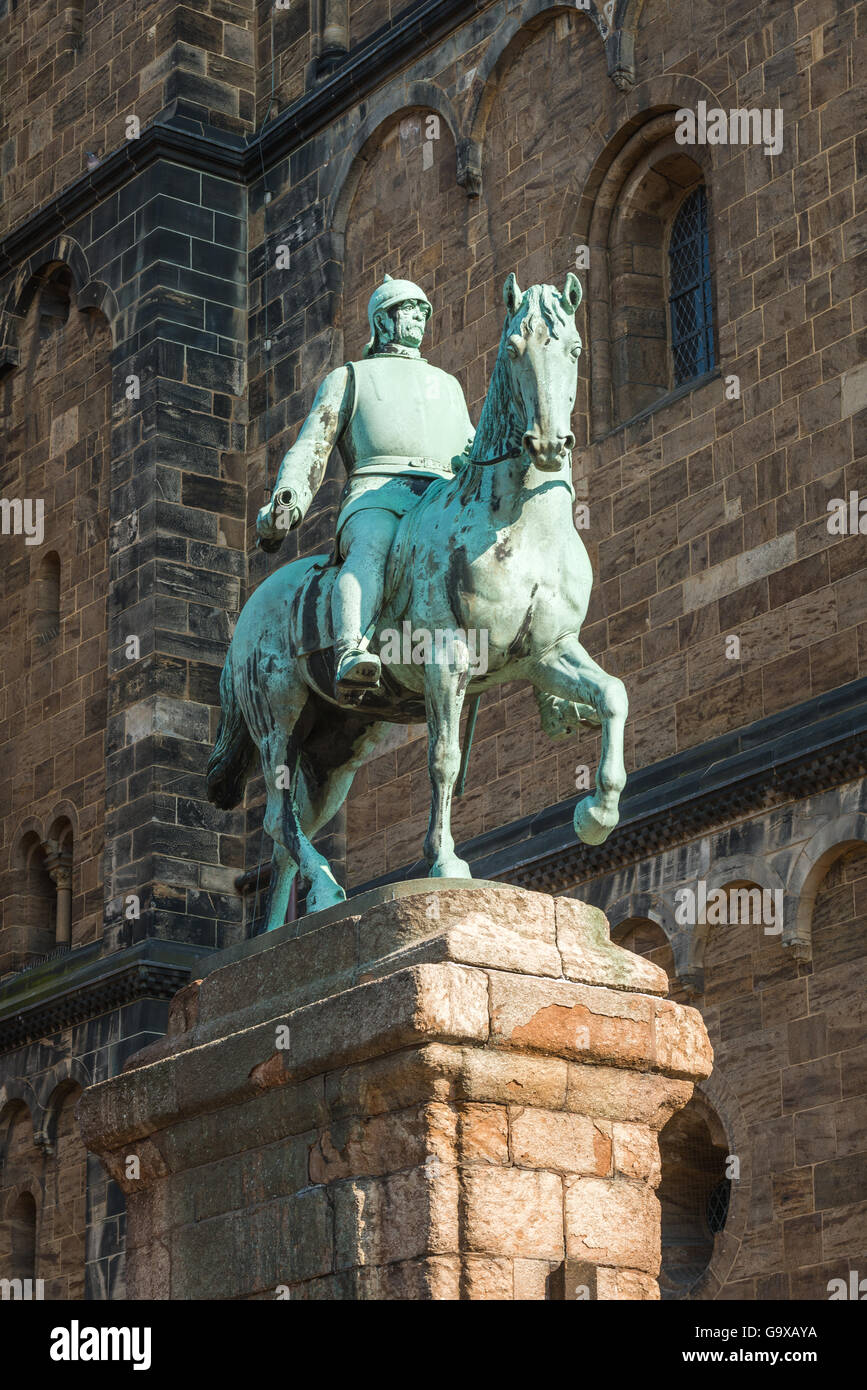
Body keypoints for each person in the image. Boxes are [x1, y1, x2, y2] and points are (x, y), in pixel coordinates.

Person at [256, 274, 475, 700]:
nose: (418, 318)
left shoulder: (448, 384)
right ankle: (351, 648)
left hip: (443, 497)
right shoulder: (350, 377)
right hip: (378, 493)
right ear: (383, 321)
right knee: (372, 546)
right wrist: (289, 500)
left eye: (422, 311)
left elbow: (469, 442)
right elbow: (313, 446)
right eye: (407, 310)